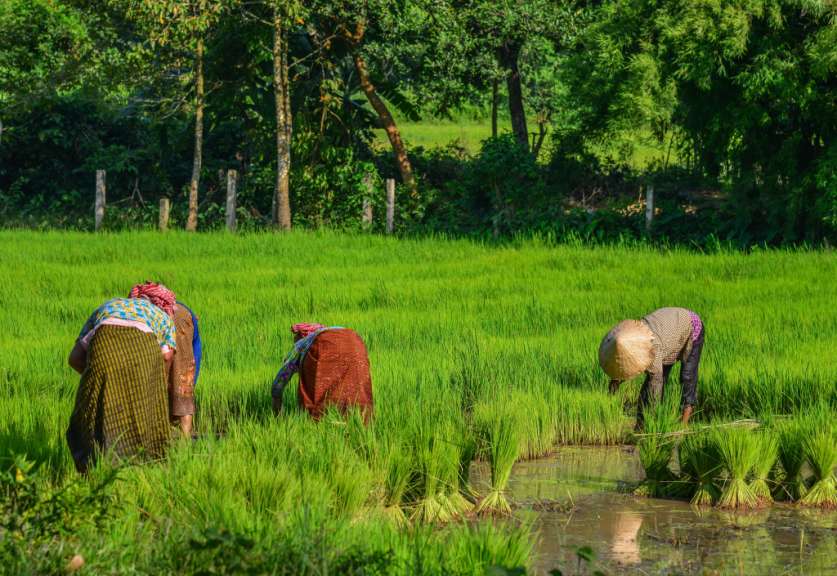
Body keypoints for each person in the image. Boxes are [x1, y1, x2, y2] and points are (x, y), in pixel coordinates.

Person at [66, 285, 178, 472]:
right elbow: (166, 356)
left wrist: (99, 378)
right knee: (145, 415)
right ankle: (142, 469)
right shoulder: (162, 317)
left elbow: (75, 358)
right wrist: (156, 383)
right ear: (162, 305)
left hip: (105, 347)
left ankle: (93, 469)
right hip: (143, 351)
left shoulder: (108, 306)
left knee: (94, 412)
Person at [599, 307, 705, 429]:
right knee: (651, 380)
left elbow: (656, 383)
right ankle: (640, 424)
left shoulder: (652, 347)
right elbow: (626, 366)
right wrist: (615, 384)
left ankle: (682, 427)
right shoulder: (632, 335)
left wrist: (653, 418)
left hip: (691, 326)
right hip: (668, 334)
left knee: (686, 378)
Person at [130, 282, 201, 438]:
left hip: (151, 323)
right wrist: (190, 382)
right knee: (183, 383)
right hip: (181, 321)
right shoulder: (183, 311)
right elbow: (196, 355)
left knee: (152, 378)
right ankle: (185, 438)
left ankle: (154, 434)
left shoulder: (142, 312)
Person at [271, 323, 373, 421]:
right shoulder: (337, 331)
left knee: (319, 389)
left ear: (303, 335)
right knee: (354, 387)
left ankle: (318, 422)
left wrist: (276, 397)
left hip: (322, 346)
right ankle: (360, 419)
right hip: (357, 343)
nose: (295, 342)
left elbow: (284, 372)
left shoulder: (304, 341)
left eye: (296, 339)